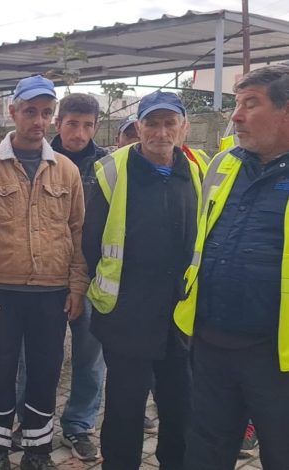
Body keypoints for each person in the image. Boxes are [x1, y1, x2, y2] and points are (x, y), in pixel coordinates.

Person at [0, 75, 88, 470]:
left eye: (46, 113)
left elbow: (78, 231)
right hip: (1, 292)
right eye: (30, 112)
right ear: (13, 112)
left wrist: (77, 285)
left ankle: (37, 450)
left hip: (52, 292)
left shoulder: (66, 171)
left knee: (45, 372)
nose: (38, 121)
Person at [176, 64, 289, 470]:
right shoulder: (223, 165)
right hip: (212, 343)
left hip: (276, 356)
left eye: (250, 104)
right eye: (236, 104)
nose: (236, 116)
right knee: (206, 449)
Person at [84, 91, 203, 470]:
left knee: (180, 406)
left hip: (179, 316)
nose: (161, 132)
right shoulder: (112, 171)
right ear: (138, 127)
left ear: (184, 127)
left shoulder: (199, 170)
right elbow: (90, 244)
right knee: (125, 409)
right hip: (127, 316)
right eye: (152, 123)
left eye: (170, 123)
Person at [49, 93, 106, 462]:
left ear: (96, 127)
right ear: (58, 124)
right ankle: (31, 419)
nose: (79, 133)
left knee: (89, 356)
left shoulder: (108, 167)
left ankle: (79, 425)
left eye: (87, 125)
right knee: (36, 355)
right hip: (45, 275)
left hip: (93, 278)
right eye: (72, 124)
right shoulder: (37, 159)